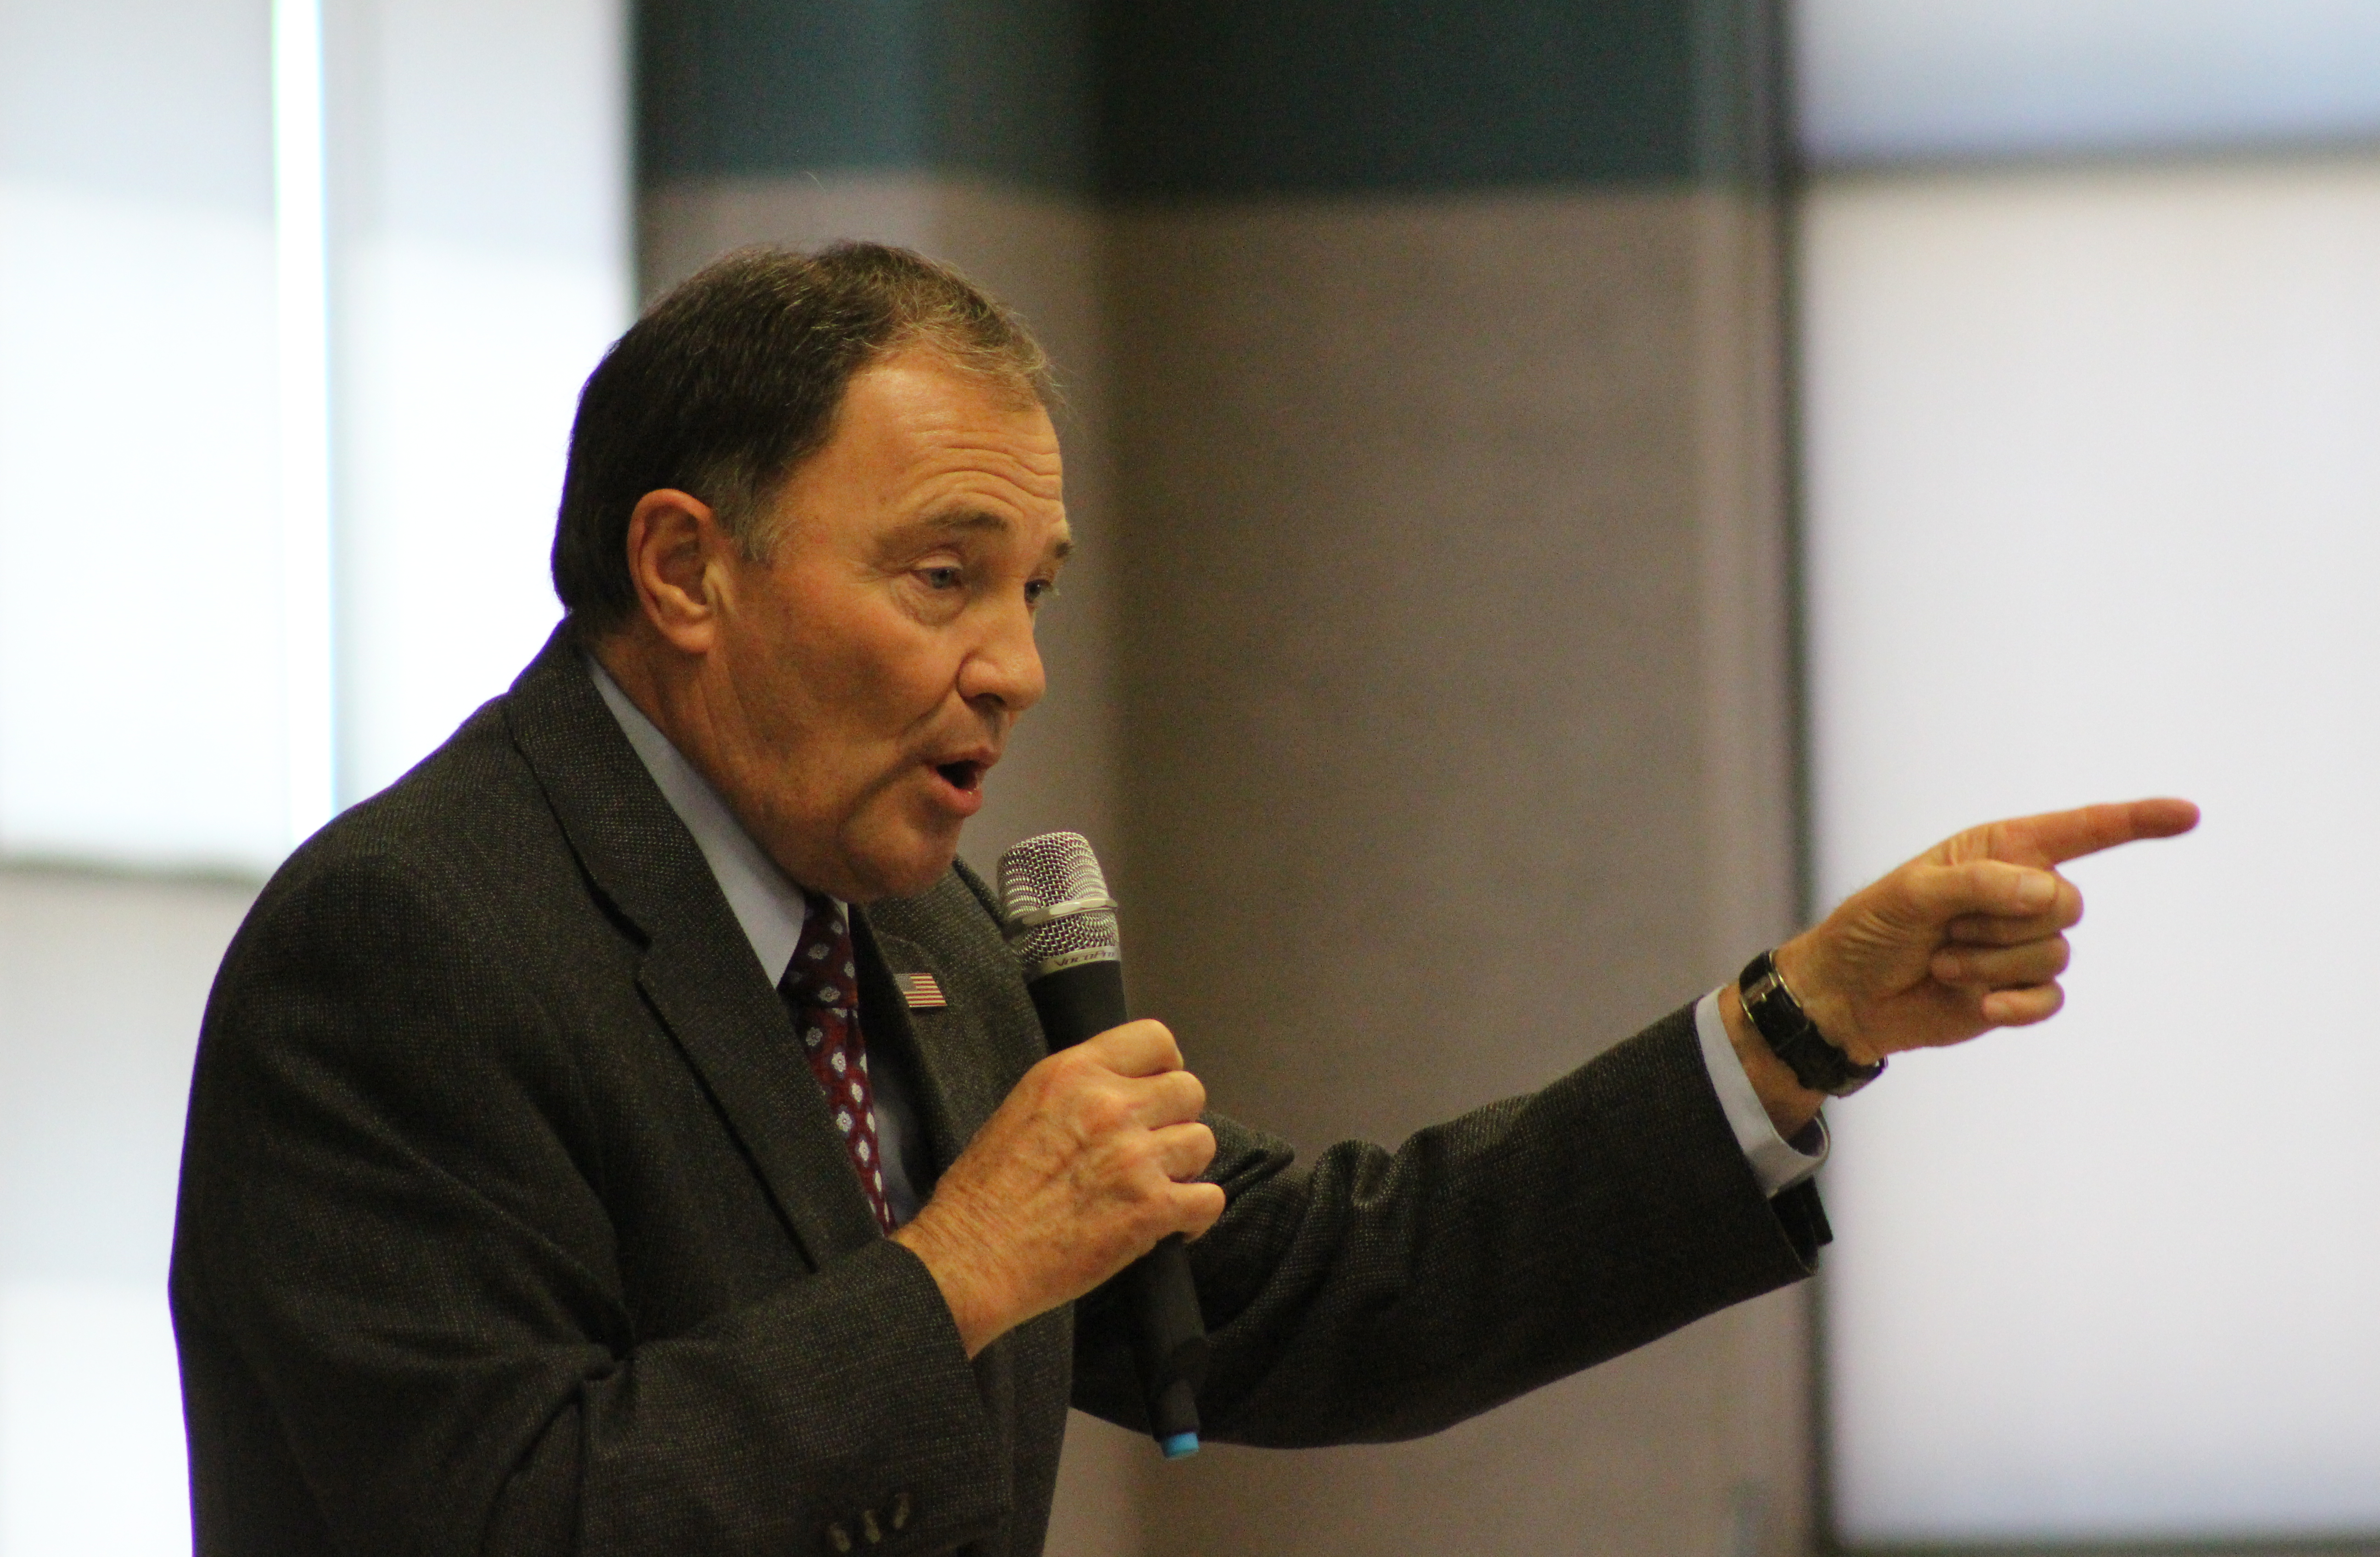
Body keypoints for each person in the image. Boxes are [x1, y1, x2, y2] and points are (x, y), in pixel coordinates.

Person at [170, 243, 2196, 1557]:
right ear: (688, 571)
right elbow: (486, 1517)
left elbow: (1308, 1294)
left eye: (1033, 596)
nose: (1016, 670)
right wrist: (955, 1275)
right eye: (943, 576)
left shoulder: (929, 939)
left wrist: (1793, 1028)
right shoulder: (408, 942)